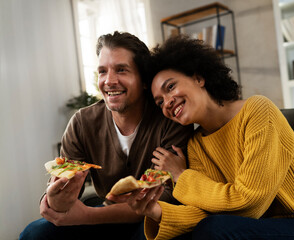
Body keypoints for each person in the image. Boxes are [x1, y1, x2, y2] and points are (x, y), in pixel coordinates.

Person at [108, 35, 294, 240]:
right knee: (147, 232)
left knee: (215, 230)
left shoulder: (258, 111)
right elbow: (205, 210)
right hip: (253, 227)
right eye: (160, 102)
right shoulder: (197, 144)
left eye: (170, 87)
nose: (167, 103)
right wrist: (154, 211)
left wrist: (182, 176)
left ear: (198, 78)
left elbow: (250, 204)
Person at [19, 32, 194, 240]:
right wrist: (57, 200)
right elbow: (61, 197)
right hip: (103, 213)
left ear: (144, 80)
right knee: (34, 233)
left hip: (148, 220)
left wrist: (88, 215)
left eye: (121, 70)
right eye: (102, 72)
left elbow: (165, 199)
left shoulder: (170, 117)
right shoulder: (82, 122)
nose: (109, 81)